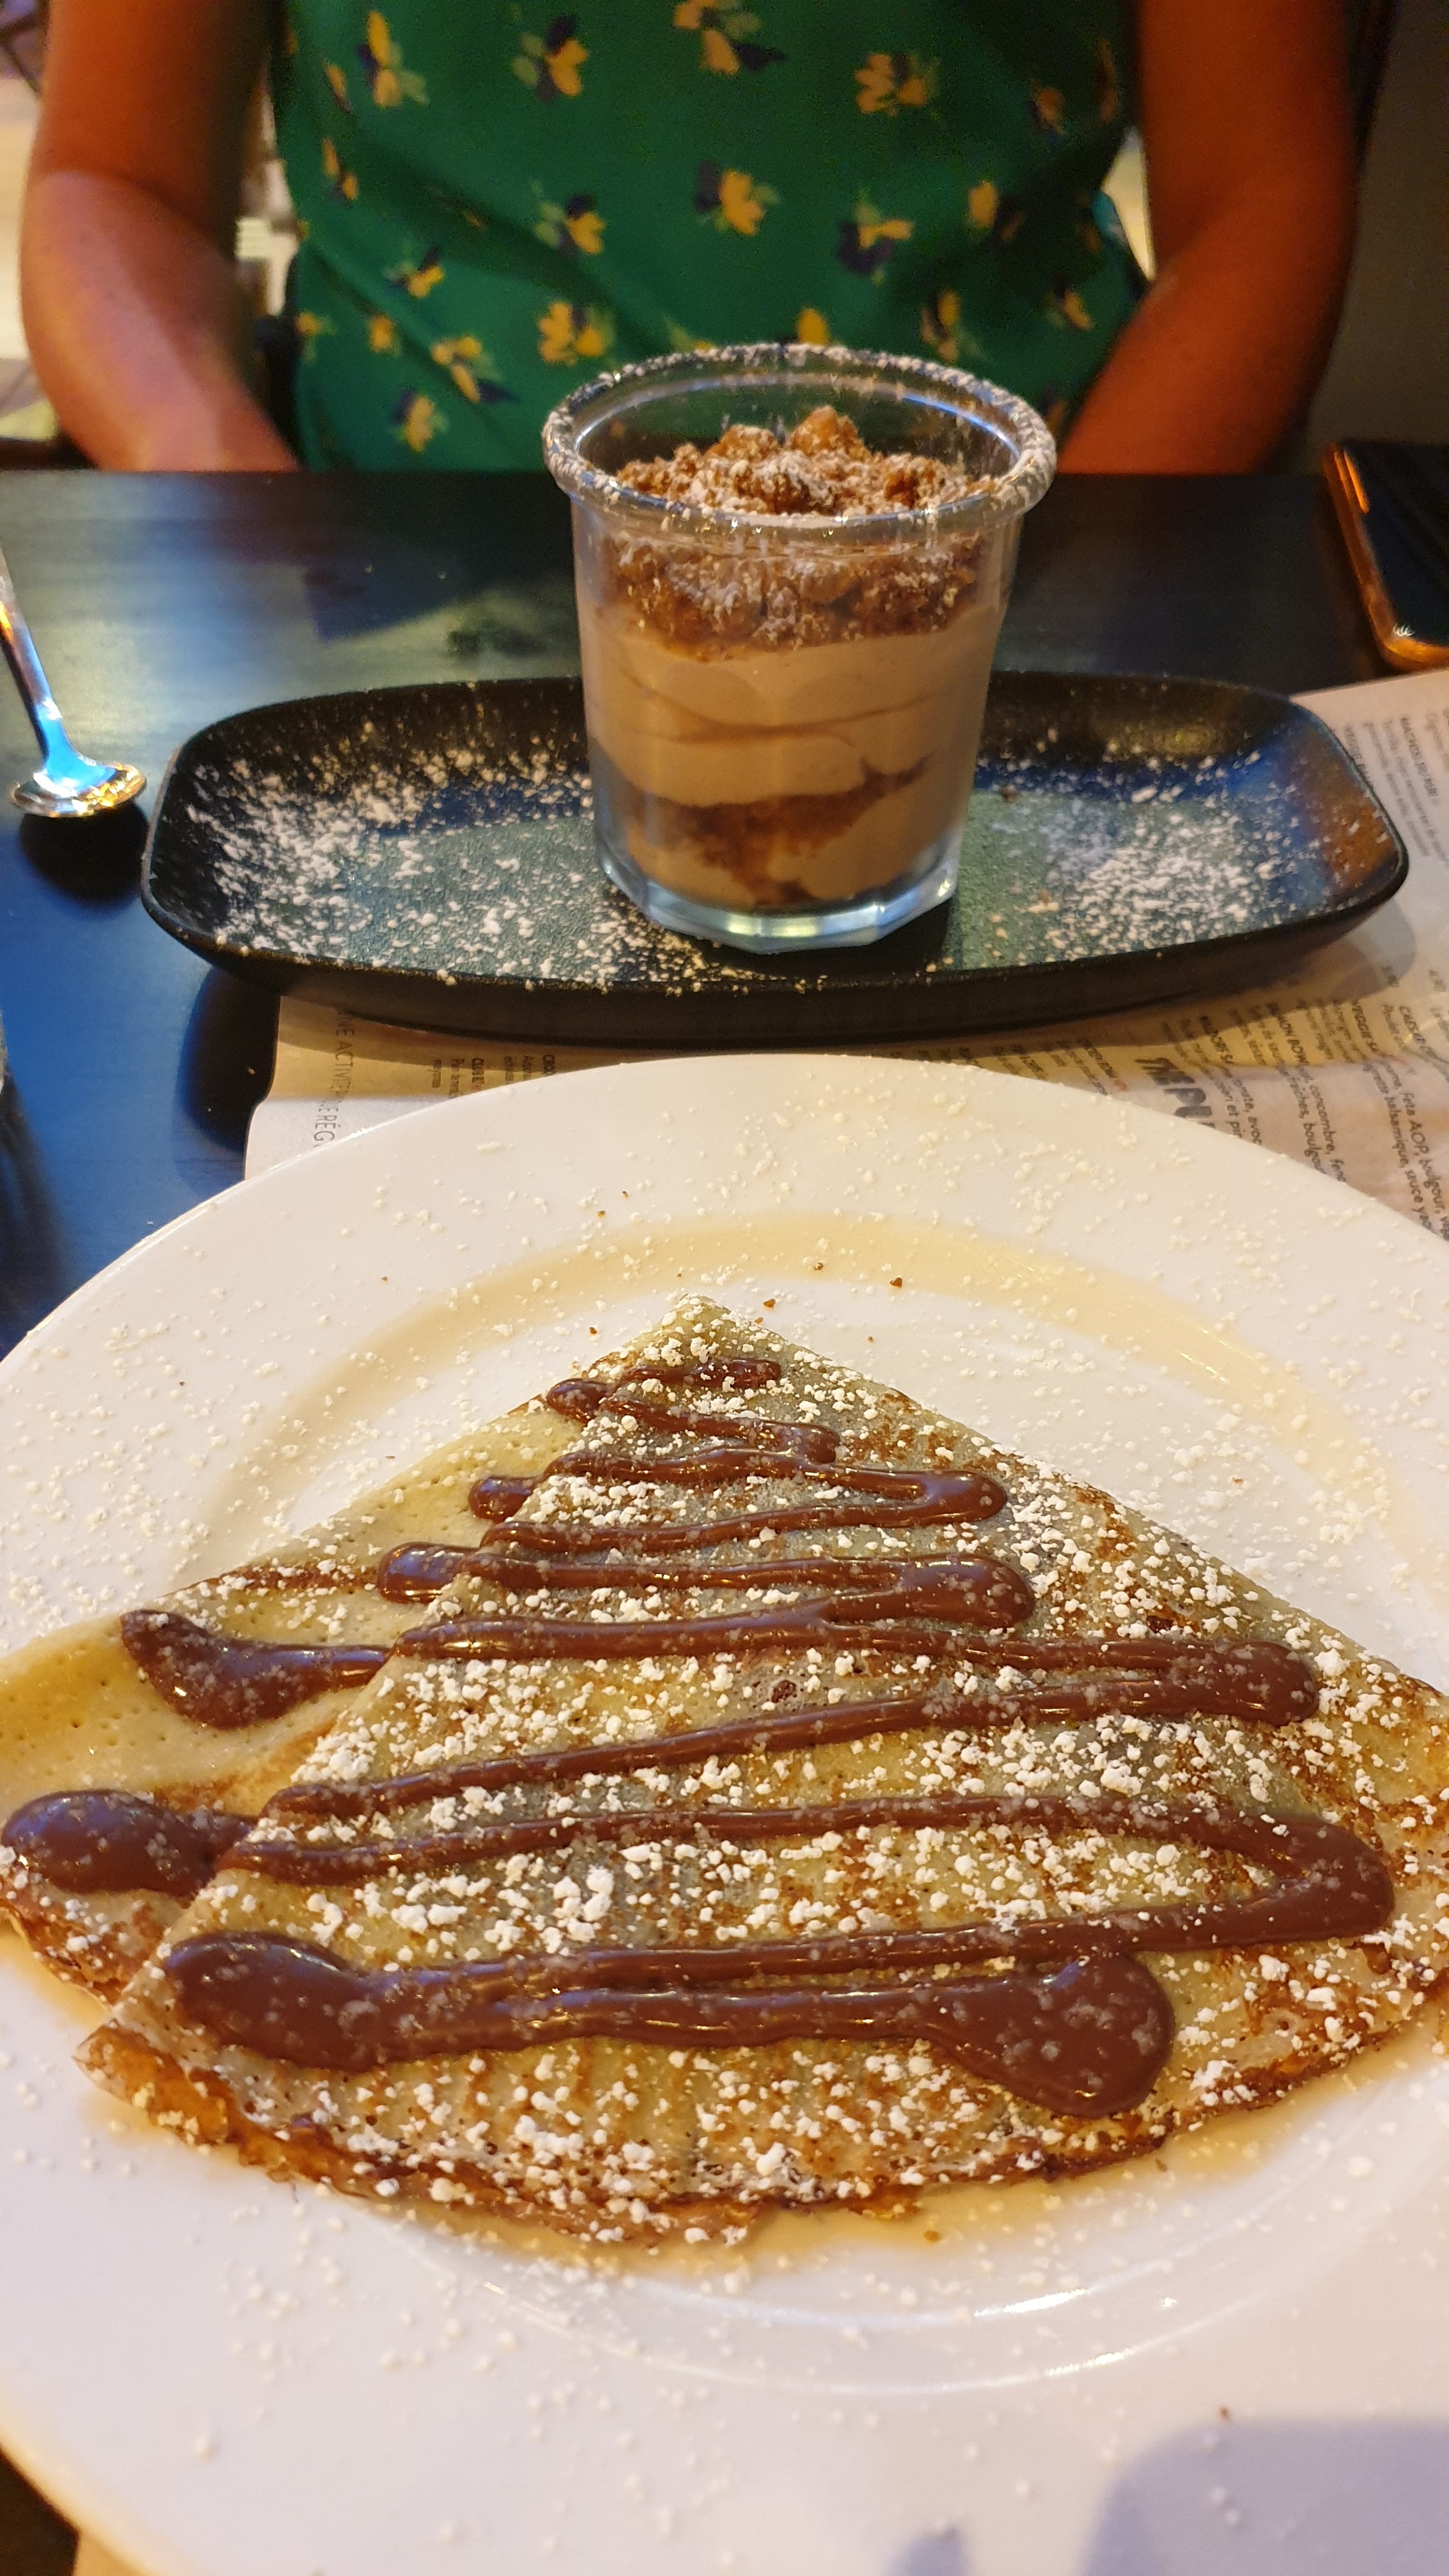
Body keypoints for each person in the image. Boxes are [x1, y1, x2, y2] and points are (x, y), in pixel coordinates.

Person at [22, 1, 1354, 475]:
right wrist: (232, 505)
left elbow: (1259, 195)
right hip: (386, 551)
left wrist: (1057, 592)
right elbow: (117, 183)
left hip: (1031, 546)